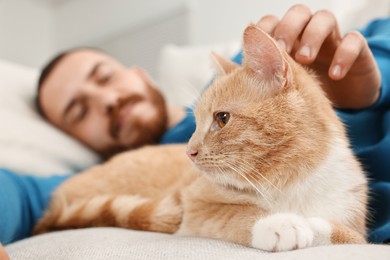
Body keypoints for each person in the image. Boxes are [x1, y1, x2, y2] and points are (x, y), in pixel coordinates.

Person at [1, 4, 389, 254]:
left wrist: (373, 86)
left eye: (103, 77)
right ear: (76, 139)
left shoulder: (244, 74)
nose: (106, 101)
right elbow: (28, 197)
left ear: (139, 74)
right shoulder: (170, 158)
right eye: (78, 111)